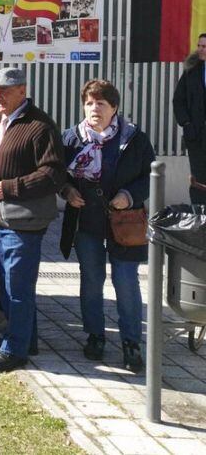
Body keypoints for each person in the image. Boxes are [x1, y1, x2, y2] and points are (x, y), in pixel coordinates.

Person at [0, 68, 66, 373]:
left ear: (22, 91)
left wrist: (12, 187)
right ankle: (25, 339)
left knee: (17, 288)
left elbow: (52, 173)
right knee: (4, 285)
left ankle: (14, 349)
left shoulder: (39, 126)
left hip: (23, 222)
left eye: (5, 91)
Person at [60, 80, 153, 373]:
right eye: (89, 103)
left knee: (126, 283)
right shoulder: (72, 138)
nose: (94, 108)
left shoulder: (134, 138)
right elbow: (57, 174)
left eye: (101, 103)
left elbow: (150, 177)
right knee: (91, 281)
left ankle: (131, 343)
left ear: (114, 107)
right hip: (87, 223)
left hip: (124, 225)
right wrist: (67, 191)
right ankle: (95, 336)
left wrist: (129, 196)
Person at [173, 32, 206, 205]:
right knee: (199, 178)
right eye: (199, 46)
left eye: (204, 46)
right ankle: (200, 217)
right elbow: (178, 100)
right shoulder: (191, 71)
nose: (200, 49)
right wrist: (186, 123)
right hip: (196, 134)